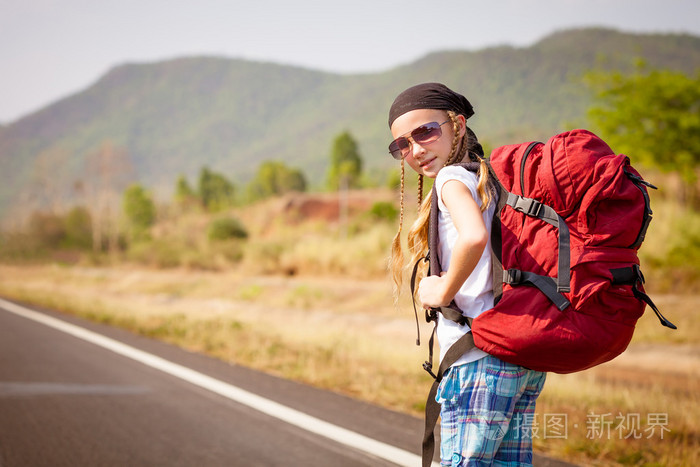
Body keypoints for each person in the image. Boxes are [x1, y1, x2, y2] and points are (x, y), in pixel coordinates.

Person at [387, 83, 546, 466]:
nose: (416, 150)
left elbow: (474, 236)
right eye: (402, 145)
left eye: (426, 131)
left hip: (477, 360)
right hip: (517, 359)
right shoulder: (485, 177)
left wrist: (443, 289)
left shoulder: (450, 179)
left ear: (457, 125)